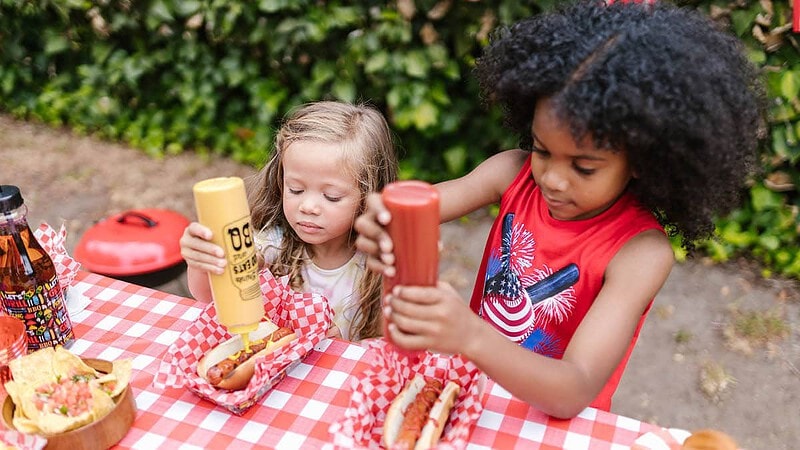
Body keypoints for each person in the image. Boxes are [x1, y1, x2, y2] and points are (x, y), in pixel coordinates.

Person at [354, 0, 764, 418]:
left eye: (584, 167)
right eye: (541, 149)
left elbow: (574, 389)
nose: (552, 178)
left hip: (549, 423)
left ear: (642, 160)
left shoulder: (639, 253)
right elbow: (418, 209)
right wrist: (385, 220)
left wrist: (469, 335)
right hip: (468, 398)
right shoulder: (511, 173)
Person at [181, 101, 399, 341]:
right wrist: (204, 261)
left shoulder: (379, 264)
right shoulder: (273, 244)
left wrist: (342, 348)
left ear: (370, 197)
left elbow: (390, 346)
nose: (307, 207)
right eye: (295, 190)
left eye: (331, 196)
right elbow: (207, 296)